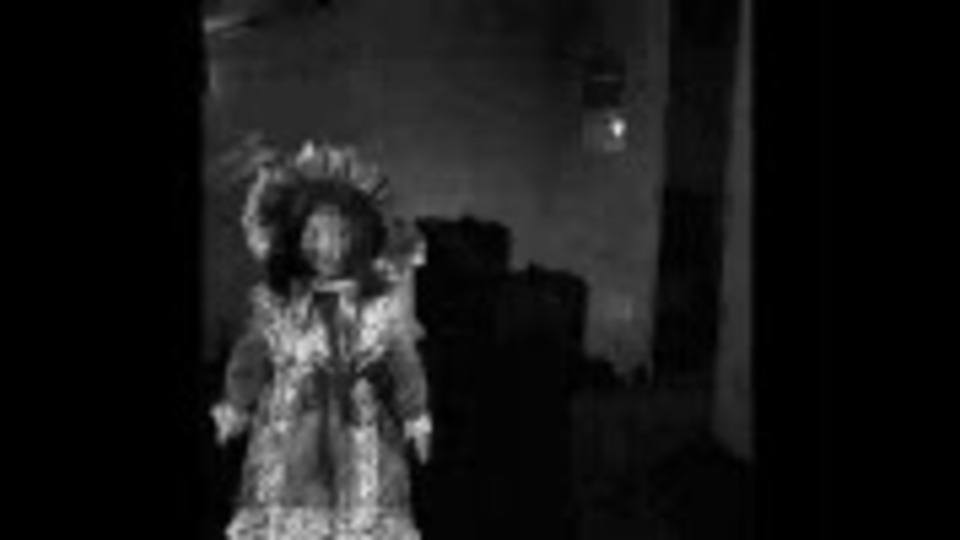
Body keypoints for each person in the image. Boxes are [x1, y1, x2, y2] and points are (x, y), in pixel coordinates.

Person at [211, 140, 431, 540]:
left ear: (358, 237)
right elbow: (250, 356)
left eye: (340, 234)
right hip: (292, 427)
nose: (326, 248)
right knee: (288, 508)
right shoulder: (276, 304)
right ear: (295, 236)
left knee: (362, 510)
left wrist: (415, 413)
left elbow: (402, 359)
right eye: (313, 233)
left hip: (360, 425)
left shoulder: (377, 307)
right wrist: (236, 403)